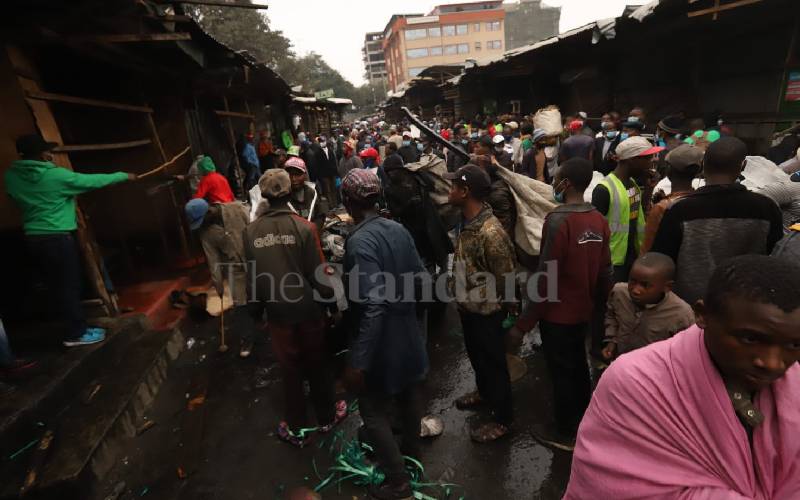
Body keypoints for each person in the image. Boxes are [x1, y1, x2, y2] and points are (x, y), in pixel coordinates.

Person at [565, 255, 800, 500]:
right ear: (702, 315)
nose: (773, 363)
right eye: (750, 339)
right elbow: (613, 485)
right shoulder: (635, 383)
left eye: (794, 344)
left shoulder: (794, 386)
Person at [511, 158, 613, 450]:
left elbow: (547, 277)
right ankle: (583, 420)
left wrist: (523, 324)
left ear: (565, 183)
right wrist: (604, 308)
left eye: (557, 178)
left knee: (561, 373)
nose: (553, 183)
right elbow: (605, 270)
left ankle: (566, 432)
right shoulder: (598, 218)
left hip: (558, 314)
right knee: (578, 366)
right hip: (584, 310)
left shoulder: (558, 220)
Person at [339, 169, 428, 500]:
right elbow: (421, 279)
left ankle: (398, 481)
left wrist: (358, 362)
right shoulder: (398, 228)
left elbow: (373, 305)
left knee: (373, 410)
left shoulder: (360, 242)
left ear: (348, 201)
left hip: (380, 342)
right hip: (407, 333)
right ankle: (412, 456)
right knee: (407, 396)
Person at [243, 169, 344, 447]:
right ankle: (326, 417)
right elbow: (321, 277)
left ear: (263, 194)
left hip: (277, 313)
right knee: (316, 363)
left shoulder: (250, 233)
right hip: (307, 310)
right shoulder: (304, 227)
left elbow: (252, 279)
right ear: (288, 192)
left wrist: (255, 313)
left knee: (290, 370)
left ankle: (297, 426)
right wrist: (332, 305)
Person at [5, 134, 135, 347]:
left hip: (33, 238)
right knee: (68, 286)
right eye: (47, 151)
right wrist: (123, 175)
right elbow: (91, 181)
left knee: (57, 286)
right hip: (57, 238)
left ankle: (75, 328)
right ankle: (76, 334)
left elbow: (14, 197)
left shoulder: (11, 176)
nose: (50, 154)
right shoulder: (55, 176)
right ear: (39, 154)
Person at [651, 137, 784, 304]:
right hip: (745, 304)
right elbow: (776, 258)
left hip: (688, 306)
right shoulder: (767, 208)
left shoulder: (680, 210)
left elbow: (662, 260)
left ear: (703, 164)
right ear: (743, 166)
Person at [445, 164, 516, 443]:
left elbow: (507, 276)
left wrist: (510, 312)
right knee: (477, 356)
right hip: (468, 307)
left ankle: (503, 419)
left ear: (465, 192)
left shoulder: (490, 231)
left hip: (488, 311)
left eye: (453, 186)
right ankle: (484, 393)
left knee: (495, 363)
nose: (448, 191)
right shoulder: (464, 221)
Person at [184, 198, 256, 358]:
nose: (201, 225)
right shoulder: (205, 233)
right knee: (240, 304)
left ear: (209, 211)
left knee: (266, 295)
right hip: (234, 268)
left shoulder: (237, 209)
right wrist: (218, 284)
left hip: (255, 260)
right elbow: (213, 259)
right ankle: (247, 338)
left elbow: (255, 227)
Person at [592, 136, 663, 283]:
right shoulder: (604, 189)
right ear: (632, 160)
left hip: (631, 257)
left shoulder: (632, 184)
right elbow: (594, 233)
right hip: (612, 262)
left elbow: (637, 215)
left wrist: (649, 190)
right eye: (648, 158)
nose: (652, 163)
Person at [602, 252, 694, 360]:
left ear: (667, 287)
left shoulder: (682, 315)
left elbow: (685, 352)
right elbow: (612, 315)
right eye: (632, 281)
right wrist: (612, 341)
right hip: (621, 363)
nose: (636, 290)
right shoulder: (619, 293)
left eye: (645, 285)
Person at [641, 144, 703, 254]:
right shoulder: (702, 201)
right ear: (698, 171)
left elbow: (647, 249)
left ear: (669, 170)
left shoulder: (662, 208)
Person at [473, 135, 517, 239]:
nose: (475, 148)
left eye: (478, 146)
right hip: (500, 194)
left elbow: (486, 181)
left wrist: (481, 165)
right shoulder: (497, 156)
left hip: (496, 195)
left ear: (486, 148)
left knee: (499, 230)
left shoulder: (485, 160)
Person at [284, 157, 328, 233]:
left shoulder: (313, 193)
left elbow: (321, 216)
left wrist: (313, 231)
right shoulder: (283, 196)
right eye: (290, 175)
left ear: (305, 175)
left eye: (297, 174)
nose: (293, 179)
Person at [308, 135, 338, 204]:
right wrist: (320, 176)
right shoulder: (317, 153)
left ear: (326, 142)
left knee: (333, 189)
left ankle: (335, 204)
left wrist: (336, 173)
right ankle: (331, 205)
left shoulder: (330, 150)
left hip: (332, 173)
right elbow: (317, 165)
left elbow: (334, 162)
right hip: (324, 175)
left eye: (322, 141)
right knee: (327, 190)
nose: (321, 143)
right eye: (320, 141)